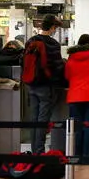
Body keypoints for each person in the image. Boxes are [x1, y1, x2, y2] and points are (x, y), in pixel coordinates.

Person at [24, 14, 66, 154]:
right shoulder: (52, 44)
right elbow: (57, 66)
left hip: (31, 85)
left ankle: (34, 150)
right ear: (52, 27)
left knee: (34, 119)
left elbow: (22, 61)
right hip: (46, 87)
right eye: (55, 28)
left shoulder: (30, 41)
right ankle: (40, 152)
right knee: (43, 120)